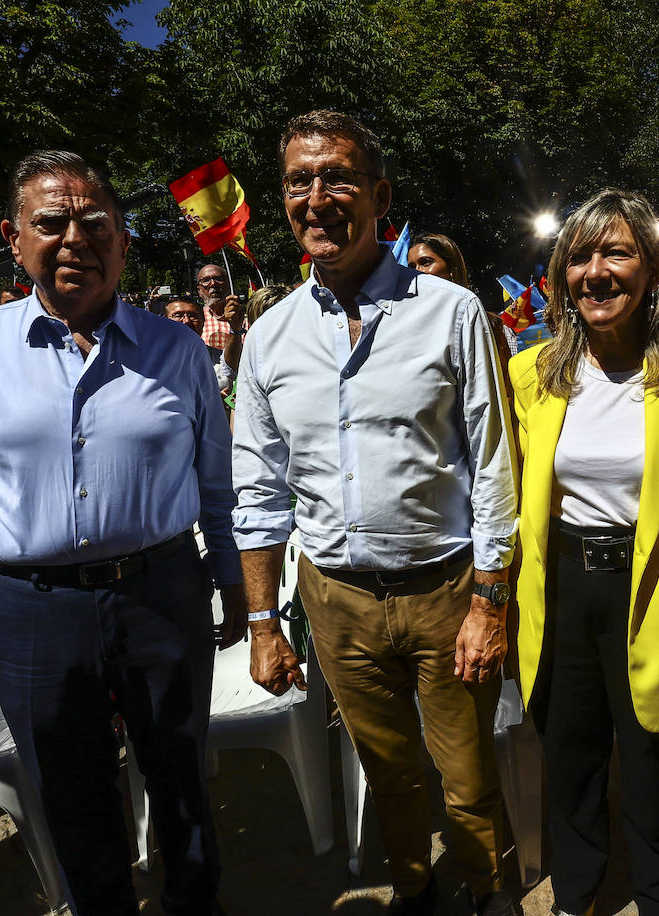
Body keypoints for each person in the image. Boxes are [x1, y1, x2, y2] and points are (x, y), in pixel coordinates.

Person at [0, 150, 243, 916]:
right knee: (72, 794)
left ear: (123, 242)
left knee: (182, 780)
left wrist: (232, 585)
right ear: (14, 239)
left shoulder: (178, 349)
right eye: (50, 223)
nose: (74, 239)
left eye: (96, 223)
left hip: (162, 593)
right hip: (29, 610)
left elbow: (218, 485)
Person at [231, 110, 519, 916]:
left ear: (378, 194)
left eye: (338, 178)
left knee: (465, 777)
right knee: (384, 769)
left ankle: (487, 893)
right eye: (298, 181)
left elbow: (494, 461)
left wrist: (489, 603)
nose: (316, 197)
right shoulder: (270, 337)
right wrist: (262, 621)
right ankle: (416, 889)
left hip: (446, 592)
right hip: (336, 600)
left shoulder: (451, 311)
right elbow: (256, 486)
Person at [510, 189, 659, 915]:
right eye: (580, 256)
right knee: (571, 768)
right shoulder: (531, 374)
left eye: (616, 252)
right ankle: (576, 896)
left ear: (648, 270)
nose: (597, 272)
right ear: (560, 274)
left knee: (657, 774)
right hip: (559, 598)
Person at [409, 230, 518, 380]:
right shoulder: (408, 330)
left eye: (426, 262)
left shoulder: (492, 327)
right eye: (411, 267)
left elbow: (506, 387)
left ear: (452, 268)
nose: (417, 272)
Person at [165, 295, 242, 392]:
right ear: (164, 321)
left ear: (203, 321)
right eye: (178, 315)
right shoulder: (154, 362)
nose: (186, 321)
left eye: (193, 316)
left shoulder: (221, 361)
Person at [196, 262, 235, 348]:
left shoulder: (243, 318)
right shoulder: (195, 319)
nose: (213, 283)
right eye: (206, 280)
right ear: (199, 291)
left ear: (228, 284)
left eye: (218, 278)